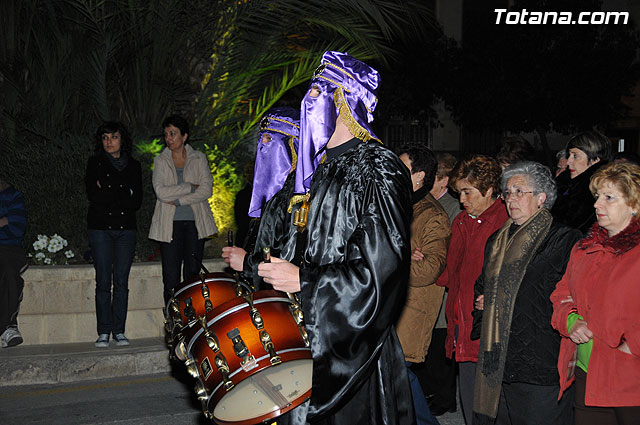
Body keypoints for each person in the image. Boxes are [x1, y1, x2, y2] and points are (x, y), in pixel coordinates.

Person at [257, 51, 415, 424]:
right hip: (312, 330)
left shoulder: (378, 166)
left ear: (344, 101)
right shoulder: (323, 170)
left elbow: (384, 266)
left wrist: (306, 281)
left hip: (353, 343)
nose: (308, 104)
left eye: (318, 93)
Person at [470, 161, 581, 425]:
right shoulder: (497, 239)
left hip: (540, 359)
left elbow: (571, 294)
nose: (511, 199)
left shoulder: (564, 240)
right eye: (507, 193)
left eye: (520, 192)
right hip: (498, 360)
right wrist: (484, 298)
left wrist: (501, 298)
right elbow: (483, 283)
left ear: (541, 197)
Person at [551, 161, 640, 425]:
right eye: (598, 196)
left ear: (635, 204)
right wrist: (570, 321)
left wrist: (631, 345)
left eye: (609, 197)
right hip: (587, 375)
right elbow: (561, 294)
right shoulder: (584, 249)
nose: (597, 204)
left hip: (630, 378)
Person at [435, 155, 508, 425]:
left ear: (489, 190)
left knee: (491, 412)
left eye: (468, 192)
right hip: (462, 328)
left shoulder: (504, 224)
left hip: (489, 332)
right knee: (470, 409)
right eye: (460, 192)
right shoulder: (462, 222)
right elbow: (450, 273)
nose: (462, 199)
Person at [397, 143, 450, 425]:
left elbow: (429, 269)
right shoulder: (399, 205)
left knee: (399, 371)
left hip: (412, 309)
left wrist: (397, 259)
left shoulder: (433, 215)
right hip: (393, 303)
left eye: (402, 166)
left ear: (419, 176)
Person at [222, 107, 300, 290]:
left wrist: (248, 263)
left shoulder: (300, 195)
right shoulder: (273, 195)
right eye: (261, 139)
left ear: (292, 145)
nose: (262, 146)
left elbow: (290, 254)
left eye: (270, 139)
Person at [149, 115, 217, 304]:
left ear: (184, 136)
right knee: (170, 278)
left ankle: (192, 323)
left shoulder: (198, 158)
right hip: (169, 226)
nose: (169, 138)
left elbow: (206, 190)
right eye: (166, 135)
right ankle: (173, 323)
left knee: (193, 276)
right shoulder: (161, 160)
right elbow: (161, 193)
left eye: (173, 134)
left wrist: (179, 200)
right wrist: (188, 186)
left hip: (196, 224)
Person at [85, 122, 142, 347]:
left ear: (122, 139)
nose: (109, 141)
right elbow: (94, 195)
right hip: (100, 229)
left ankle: (119, 330)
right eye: (105, 137)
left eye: (114, 137)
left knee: (120, 282)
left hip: (126, 230)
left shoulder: (134, 166)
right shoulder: (94, 163)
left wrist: (107, 186)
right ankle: (103, 331)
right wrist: (122, 189)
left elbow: (136, 201)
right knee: (102, 281)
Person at [419, 152, 461, 416]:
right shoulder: (427, 203)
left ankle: (444, 399)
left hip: (442, 290)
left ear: (444, 180)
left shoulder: (452, 208)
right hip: (427, 290)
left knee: (440, 348)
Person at [552, 130, 611, 234]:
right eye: (569, 155)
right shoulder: (565, 182)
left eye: (575, 156)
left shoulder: (595, 190)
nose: (569, 161)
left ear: (595, 160)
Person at [0, 178, 27, 348]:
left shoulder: (12, 195)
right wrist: (3, 221)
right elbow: (6, 223)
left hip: (8, 247)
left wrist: (7, 223)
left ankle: (8, 328)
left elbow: (16, 227)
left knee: (8, 271)